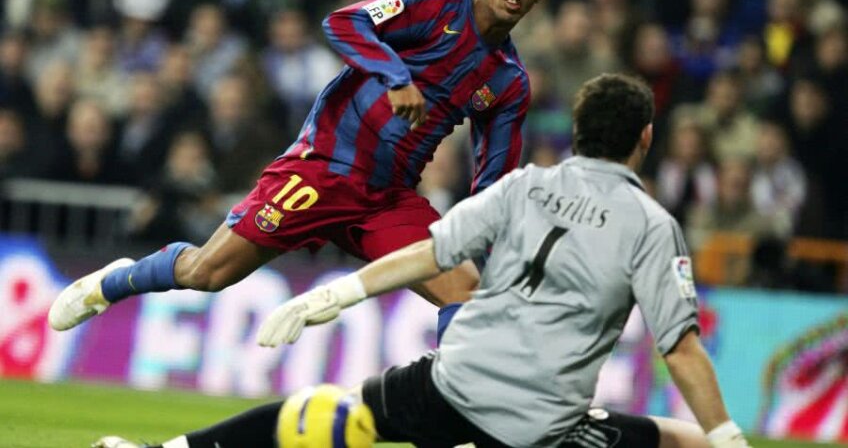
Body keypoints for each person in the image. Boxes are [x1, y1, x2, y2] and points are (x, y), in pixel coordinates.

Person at [93, 74, 750, 448]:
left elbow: (429, 252)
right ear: (645, 138)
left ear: (576, 132)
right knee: (684, 442)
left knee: (326, 415)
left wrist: (339, 293)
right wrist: (725, 435)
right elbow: (682, 349)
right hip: (538, 422)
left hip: (454, 380)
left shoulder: (523, 185)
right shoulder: (651, 225)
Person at [49, 0, 551, 340]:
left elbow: (492, 183)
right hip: (321, 170)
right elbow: (343, 23)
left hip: (387, 201)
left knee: (468, 293)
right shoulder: (429, 7)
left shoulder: (508, 82)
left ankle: (456, 421)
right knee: (207, 273)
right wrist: (397, 77)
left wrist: (493, 248)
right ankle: (109, 284)